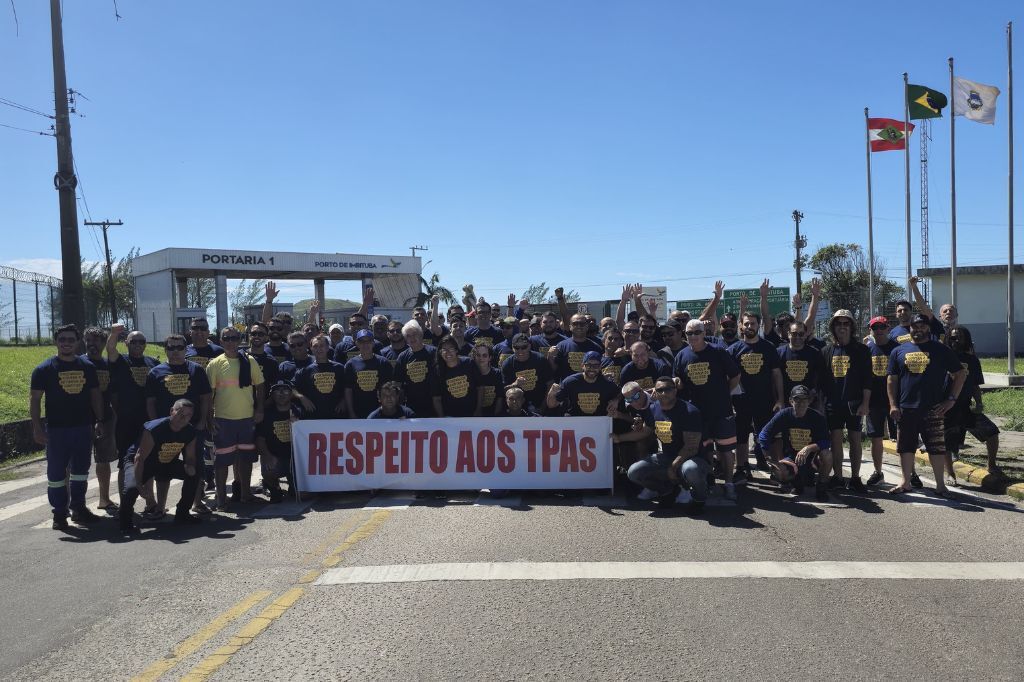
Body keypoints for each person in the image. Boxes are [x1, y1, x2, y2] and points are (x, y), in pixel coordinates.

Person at [30, 324, 105, 529]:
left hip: (82, 428)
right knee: (56, 475)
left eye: (71, 340)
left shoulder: (87, 367)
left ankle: (79, 508)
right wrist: (37, 428)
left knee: (80, 471)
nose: (66, 343)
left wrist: (99, 419)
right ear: (56, 341)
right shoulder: (44, 369)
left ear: (77, 342)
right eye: (62, 339)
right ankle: (59, 514)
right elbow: (35, 400)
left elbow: (95, 395)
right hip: (56, 430)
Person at [887, 314, 967, 497]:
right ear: (910, 329)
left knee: (936, 448)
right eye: (915, 326)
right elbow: (891, 381)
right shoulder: (898, 351)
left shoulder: (941, 350)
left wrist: (951, 399)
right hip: (906, 408)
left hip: (934, 408)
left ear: (928, 329)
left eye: (922, 326)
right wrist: (893, 405)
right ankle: (906, 482)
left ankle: (940, 486)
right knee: (905, 447)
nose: (919, 330)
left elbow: (960, 374)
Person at [673, 319, 741, 500]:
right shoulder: (681, 355)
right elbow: (678, 381)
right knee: (705, 451)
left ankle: (728, 483)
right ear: (684, 335)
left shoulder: (718, 351)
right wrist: (676, 384)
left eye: (697, 332)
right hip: (696, 415)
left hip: (721, 411)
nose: (693, 336)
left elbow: (735, 375)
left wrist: (724, 392)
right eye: (689, 333)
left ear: (704, 333)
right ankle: (709, 481)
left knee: (726, 451)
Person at [145, 334, 213, 514]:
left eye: (179, 348)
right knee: (163, 467)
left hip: (192, 429)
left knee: (195, 465)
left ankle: (197, 502)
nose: (175, 351)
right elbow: (150, 401)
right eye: (171, 348)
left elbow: (205, 398)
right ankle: (160, 507)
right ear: (165, 349)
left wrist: (202, 421)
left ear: (186, 349)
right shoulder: (156, 372)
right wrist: (154, 426)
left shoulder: (196, 370)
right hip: (166, 430)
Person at [119, 399, 201, 533]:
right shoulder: (155, 428)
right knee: (131, 488)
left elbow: (191, 457)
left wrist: (190, 466)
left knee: (195, 474)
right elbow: (140, 458)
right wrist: (140, 485)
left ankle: (182, 514)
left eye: (188, 415)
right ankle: (125, 523)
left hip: (166, 461)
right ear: (171, 411)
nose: (183, 418)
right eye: (180, 413)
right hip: (142, 461)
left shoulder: (190, 432)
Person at [625, 377, 708, 511]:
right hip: (667, 456)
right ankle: (667, 491)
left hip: (692, 458)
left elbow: (691, 448)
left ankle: (699, 498)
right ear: (655, 393)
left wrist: (673, 468)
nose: (664, 393)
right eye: (660, 390)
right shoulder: (653, 409)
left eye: (668, 389)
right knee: (634, 472)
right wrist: (617, 438)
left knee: (690, 469)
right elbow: (645, 432)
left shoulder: (690, 411)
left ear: (675, 391)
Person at [206, 326, 265, 509]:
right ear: (221, 341)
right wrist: (209, 419)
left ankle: (246, 494)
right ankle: (221, 498)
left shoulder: (250, 361)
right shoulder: (214, 364)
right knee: (222, 461)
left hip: (247, 419)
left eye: (234, 338)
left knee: (246, 459)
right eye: (227, 338)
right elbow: (208, 396)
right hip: (223, 420)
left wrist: (259, 410)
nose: (231, 342)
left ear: (239, 340)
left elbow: (260, 387)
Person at [107, 325, 161, 508]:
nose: (138, 344)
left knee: (148, 461)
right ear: (127, 343)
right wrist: (114, 334)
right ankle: (125, 504)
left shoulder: (153, 363)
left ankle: (150, 502)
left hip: (149, 422)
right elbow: (110, 349)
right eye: (133, 341)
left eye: (141, 342)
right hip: (126, 421)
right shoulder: (121, 361)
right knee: (124, 463)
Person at [728, 312, 784, 481]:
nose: (749, 327)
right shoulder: (733, 350)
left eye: (752, 323)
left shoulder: (768, 348)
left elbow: (777, 375)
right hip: (741, 402)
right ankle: (742, 468)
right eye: (746, 324)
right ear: (741, 326)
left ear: (758, 325)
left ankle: (776, 469)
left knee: (770, 436)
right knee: (741, 436)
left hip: (765, 400)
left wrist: (780, 399)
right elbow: (727, 378)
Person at [820, 310, 872, 492]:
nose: (842, 327)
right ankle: (839, 476)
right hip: (833, 403)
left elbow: (867, 380)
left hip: (854, 403)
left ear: (852, 326)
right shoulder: (826, 351)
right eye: (838, 323)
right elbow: (822, 381)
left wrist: (865, 403)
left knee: (855, 440)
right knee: (835, 441)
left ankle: (856, 478)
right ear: (833, 327)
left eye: (846, 323)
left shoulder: (861, 350)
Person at [757, 385, 832, 501]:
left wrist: (808, 448)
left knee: (827, 455)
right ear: (791, 401)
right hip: (790, 459)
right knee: (779, 470)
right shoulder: (784, 415)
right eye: (797, 399)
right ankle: (793, 482)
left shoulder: (818, 417)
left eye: (804, 399)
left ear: (809, 401)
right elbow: (764, 435)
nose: (801, 403)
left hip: (812, 460)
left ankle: (821, 487)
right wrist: (768, 457)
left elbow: (826, 442)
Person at [944, 326, 1001, 476]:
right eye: (953, 337)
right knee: (948, 443)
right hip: (947, 408)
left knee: (992, 432)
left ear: (966, 340)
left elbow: (975, 384)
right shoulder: (942, 356)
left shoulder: (972, 360)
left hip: (965, 407)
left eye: (959, 337)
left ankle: (992, 465)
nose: (956, 340)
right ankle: (950, 474)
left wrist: (979, 403)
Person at [81, 326, 119, 512]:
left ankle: (104, 499)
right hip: (81, 420)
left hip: (106, 419)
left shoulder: (108, 365)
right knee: (76, 463)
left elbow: (113, 394)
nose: (91, 344)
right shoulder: (78, 364)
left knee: (103, 460)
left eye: (96, 341)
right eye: (88, 341)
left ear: (104, 343)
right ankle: (74, 503)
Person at [864, 316, 899, 487]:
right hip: (874, 402)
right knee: (876, 438)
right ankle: (878, 472)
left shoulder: (897, 349)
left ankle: (911, 472)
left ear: (888, 328)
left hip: (895, 401)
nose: (878, 330)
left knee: (902, 437)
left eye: (881, 327)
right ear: (871, 330)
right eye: (875, 327)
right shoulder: (867, 350)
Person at [255, 381, 302, 503]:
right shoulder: (267, 415)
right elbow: (260, 440)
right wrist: (267, 456)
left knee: (303, 495)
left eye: (285, 390)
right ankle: (274, 488)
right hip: (276, 458)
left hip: (295, 460)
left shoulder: (299, 412)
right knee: (268, 469)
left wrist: (299, 425)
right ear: (272, 395)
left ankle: (294, 485)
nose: (281, 394)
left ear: (291, 394)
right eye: (277, 391)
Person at [546, 351, 620, 417]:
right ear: (582, 366)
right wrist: (552, 392)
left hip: (598, 421)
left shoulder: (607, 383)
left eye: (596, 366)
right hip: (575, 420)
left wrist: (616, 400)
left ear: (600, 367)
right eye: (588, 365)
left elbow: (619, 394)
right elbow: (551, 405)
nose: (592, 368)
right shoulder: (571, 382)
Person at [293, 334, 347, 419]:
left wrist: (344, 401)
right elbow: (292, 388)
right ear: (311, 349)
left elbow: (349, 387)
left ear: (327, 347)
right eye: (315, 346)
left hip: (337, 416)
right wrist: (301, 397)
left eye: (322, 346)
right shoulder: (305, 371)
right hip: (314, 417)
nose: (319, 349)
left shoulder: (339, 368)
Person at [344, 329, 394, 419]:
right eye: (361, 341)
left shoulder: (383, 362)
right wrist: (351, 412)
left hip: (381, 412)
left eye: (369, 341)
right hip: (358, 412)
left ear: (373, 343)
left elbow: (390, 389)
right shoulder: (350, 364)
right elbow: (348, 390)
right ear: (357, 343)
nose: (365, 344)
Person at [501, 332, 553, 412]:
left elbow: (550, 384)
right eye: (517, 347)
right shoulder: (507, 364)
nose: (520, 351)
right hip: (518, 409)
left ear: (529, 346)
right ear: (512, 347)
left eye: (524, 347)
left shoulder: (540, 359)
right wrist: (515, 384)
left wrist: (543, 406)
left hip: (541, 405)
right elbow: (503, 390)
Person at [396, 320, 438, 417]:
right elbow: (398, 384)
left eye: (414, 334)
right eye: (408, 336)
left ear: (420, 334)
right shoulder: (402, 357)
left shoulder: (434, 352)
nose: (412, 338)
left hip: (434, 404)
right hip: (412, 405)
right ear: (405, 339)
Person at [433, 335, 482, 417]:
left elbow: (480, 388)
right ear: (440, 353)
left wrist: (478, 410)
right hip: (450, 417)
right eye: (444, 350)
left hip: (472, 415)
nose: (448, 352)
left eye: (451, 349)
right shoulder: (437, 371)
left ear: (456, 350)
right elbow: (436, 398)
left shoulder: (469, 363)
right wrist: (442, 419)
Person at [778, 320, 825, 402]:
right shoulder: (779, 353)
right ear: (789, 334)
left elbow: (820, 376)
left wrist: (814, 392)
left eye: (801, 334)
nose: (797, 337)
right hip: (786, 401)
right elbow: (775, 377)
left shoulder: (815, 353)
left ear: (806, 335)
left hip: (808, 402)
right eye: (794, 333)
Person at [552, 314, 604, 381]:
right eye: (575, 324)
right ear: (570, 327)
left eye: (582, 324)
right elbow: (555, 369)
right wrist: (550, 357)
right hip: (568, 388)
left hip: (590, 388)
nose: (579, 326)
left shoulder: (596, 347)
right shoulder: (561, 346)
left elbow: (600, 370)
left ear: (587, 327)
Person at [472, 344, 505, 416]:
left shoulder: (497, 373)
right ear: (474, 357)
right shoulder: (470, 374)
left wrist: (496, 417)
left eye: (484, 355)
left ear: (490, 358)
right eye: (478, 355)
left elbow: (499, 397)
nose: (481, 358)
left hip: (492, 415)